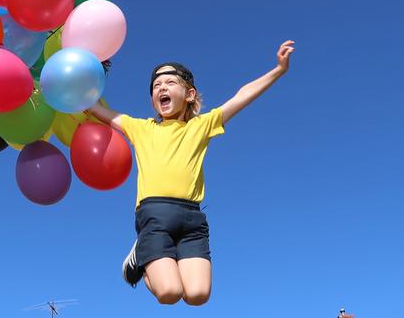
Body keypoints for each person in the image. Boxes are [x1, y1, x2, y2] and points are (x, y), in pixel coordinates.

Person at [86, 40, 295, 306]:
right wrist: (80, 97)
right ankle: (141, 258)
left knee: (198, 295)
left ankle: (149, 256)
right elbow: (101, 112)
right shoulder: (140, 128)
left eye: (170, 83)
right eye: (156, 87)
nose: (161, 88)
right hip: (154, 215)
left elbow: (241, 96)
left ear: (190, 94)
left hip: (192, 219)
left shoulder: (201, 126)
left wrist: (278, 70)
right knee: (169, 293)